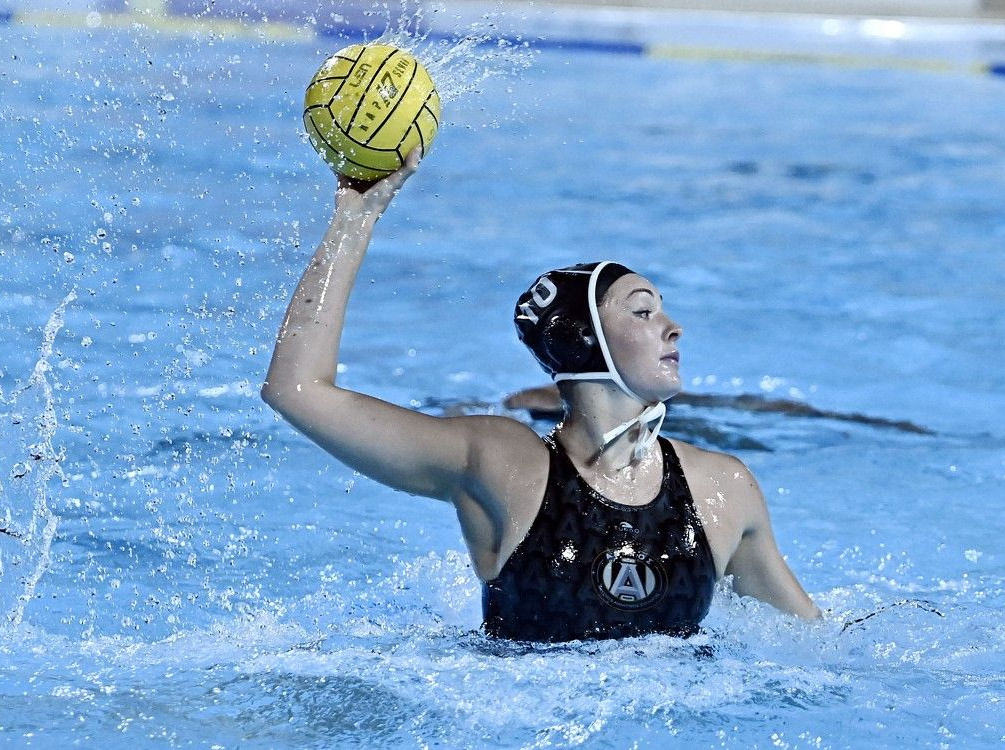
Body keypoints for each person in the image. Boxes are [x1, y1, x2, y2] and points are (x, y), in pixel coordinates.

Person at [261, 150, 820, 642]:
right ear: (582, 341)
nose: (673, 328)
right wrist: (355, 218)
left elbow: (819, 651)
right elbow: (297, 390)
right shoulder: (503, 465)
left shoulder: (722, 488)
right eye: (643, 311)